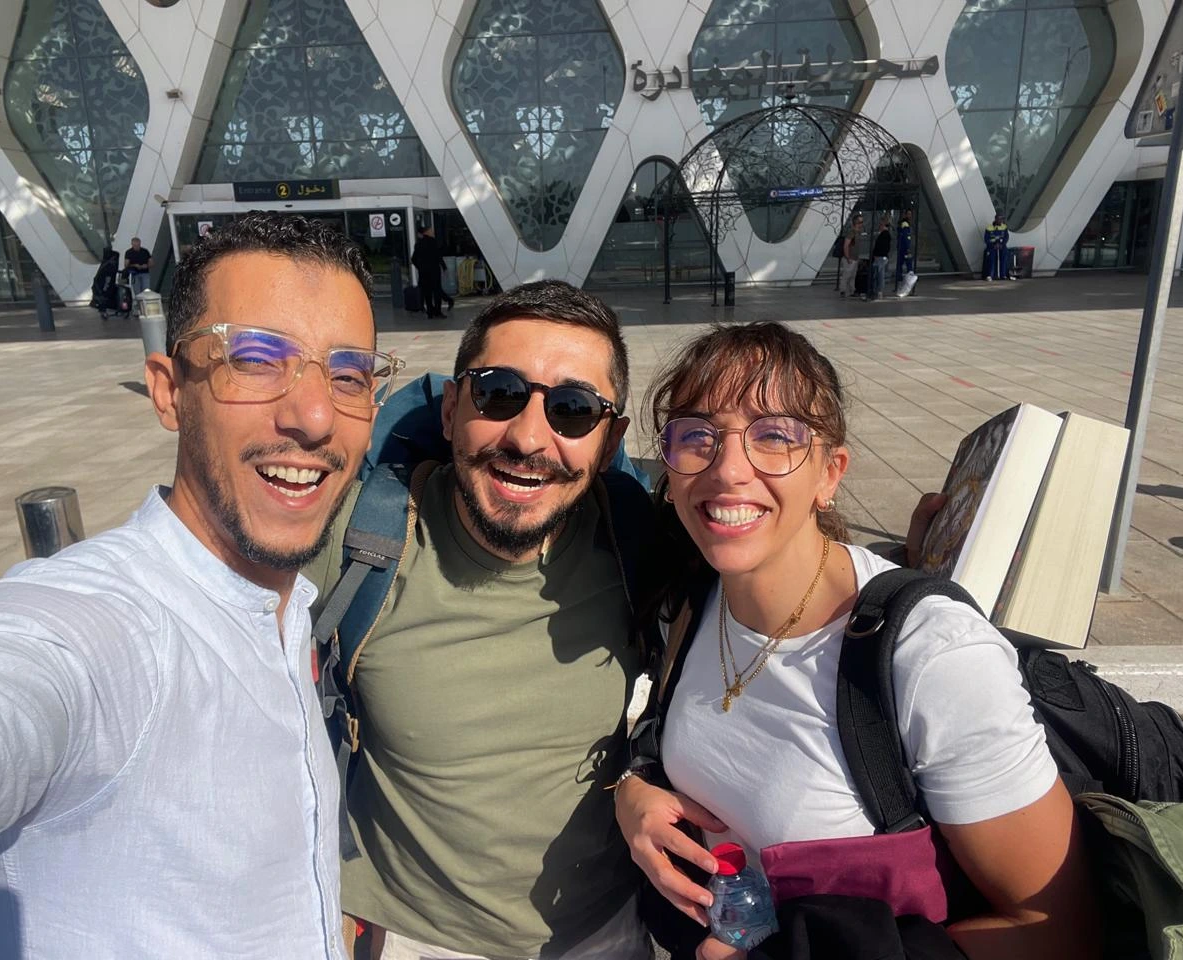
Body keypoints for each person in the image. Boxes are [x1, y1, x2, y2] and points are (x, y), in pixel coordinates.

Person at [0, 213, 402, 958]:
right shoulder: (94, 627)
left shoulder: (291, 609)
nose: (313, 416)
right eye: (256, 358)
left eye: (347, 376)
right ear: (170, 390)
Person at [615, 321, 1101, 960]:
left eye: (774, 436)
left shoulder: (932, 657)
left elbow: (1055, 931)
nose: (729, 468)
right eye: (698, 435)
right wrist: (634, 788)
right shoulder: (692, 597)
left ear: (829, 473)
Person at [315, 281, 653, 960]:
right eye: (499, 393)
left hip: (605, 933)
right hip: (418, 937)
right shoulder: (356, 540)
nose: (529, 438)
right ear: (450, 410)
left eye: (573, 410)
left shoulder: (636, 541)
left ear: (611, 438)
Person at [411, 225, 450, 318]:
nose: (433, 232)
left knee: (427, 293)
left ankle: (430, 312)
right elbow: (438, 256)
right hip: (434, 271)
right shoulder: (433, 242)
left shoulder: (418, 244)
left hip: (423, 272)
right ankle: (437, 311)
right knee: (436, 292)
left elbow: (413, 259)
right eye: (431, 231)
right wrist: (444, 267)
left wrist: (420, 267)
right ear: (426, 232)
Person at [90, 245, 121, 319]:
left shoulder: (107, 262)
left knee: (104, 294)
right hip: (106, 284)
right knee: (105, 294)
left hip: (103, 285)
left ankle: (103, 310)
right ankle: (104, 310)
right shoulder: (112, 260)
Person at [837, 215, 863, 298]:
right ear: (855, 223)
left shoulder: (858, 232)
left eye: (862, 222)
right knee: (847, 275)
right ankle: (843, 290)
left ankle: (853, 290)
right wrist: (848, 257)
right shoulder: (851, 232)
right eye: (860, 222)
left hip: (855, 258)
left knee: (853, 276)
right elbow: (846, 245)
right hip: (850, 258)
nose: (861, 224)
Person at [868, 216, 891, 301]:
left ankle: (879, 291)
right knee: (878, 274)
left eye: (881, 224)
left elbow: (883, 247)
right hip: (880, 256)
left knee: (879, 275)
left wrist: (878, 254)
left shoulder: (885, 234)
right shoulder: (883, 234)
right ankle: (877, 290)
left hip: (880, 257)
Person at [983, 214, 1009, 281]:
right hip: (992, 246)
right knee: (991, 259)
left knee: (1004, 258)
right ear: (995, 219)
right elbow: (986, 239)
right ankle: (990, 275)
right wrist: (993, 245)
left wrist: (1002, 244)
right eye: (999, 219)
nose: (1000, 220)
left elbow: (1006, 237)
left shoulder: (1004, 227)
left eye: (1001, 219)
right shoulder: (989, 227)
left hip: (1002, 246)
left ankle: (1003, 275)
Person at [895, 208, 914, 291]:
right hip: (905, 248)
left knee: (899, 266)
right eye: (908, 214)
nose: (910, 216)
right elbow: (907, 237)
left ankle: (898, 285)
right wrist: (908, 248)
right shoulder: (905, 224)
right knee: (909, 267)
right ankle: (908, 285)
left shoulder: (902, 223)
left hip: (901, 248)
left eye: (910, 214)